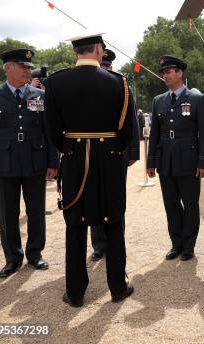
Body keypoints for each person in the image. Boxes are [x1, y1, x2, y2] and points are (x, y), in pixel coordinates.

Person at [44, 33, 137, 306]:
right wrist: (109, 146)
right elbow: (127, 130)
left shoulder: (56, 82)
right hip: (109, 158)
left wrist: (69, 146)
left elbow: (51, 127)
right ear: (98, 50)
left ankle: (75, 293)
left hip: (73, 157)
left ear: (76, 52)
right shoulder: (119, 82)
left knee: (75, 225)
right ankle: (118, 287)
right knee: (113, 222)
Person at [0, 48, 58, 277]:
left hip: (35, 160)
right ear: (8, 68)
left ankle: (35, 254)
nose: (28, 70)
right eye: (23, 66)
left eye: (28, 67)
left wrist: (52, 162)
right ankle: (13, 258)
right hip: (4, 163)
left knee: (35, 210)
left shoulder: (40, 95)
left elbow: (49, 132)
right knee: (8, 212)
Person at [146, 55, 204, 261]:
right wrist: (151, 162)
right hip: (166, 160)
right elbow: (155, 134)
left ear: (180, 73)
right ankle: (176, 243)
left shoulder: (196, 99)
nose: (164, 75)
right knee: (171, 204)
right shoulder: (159, 101)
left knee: (190, 204)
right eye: (163, 72)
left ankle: (189, 246)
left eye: (168, 71)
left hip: (189, 161)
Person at [89, 48, 140, 261]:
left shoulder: (122, 87)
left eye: (108, 66)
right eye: (102, 66)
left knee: (116, 199)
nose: (105, 69)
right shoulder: (87, 88)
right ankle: (99, 245)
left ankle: (115, 241)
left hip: (117, 153)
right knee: (93, 198)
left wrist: (133, 152)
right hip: (91, 153)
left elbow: (132, 123)